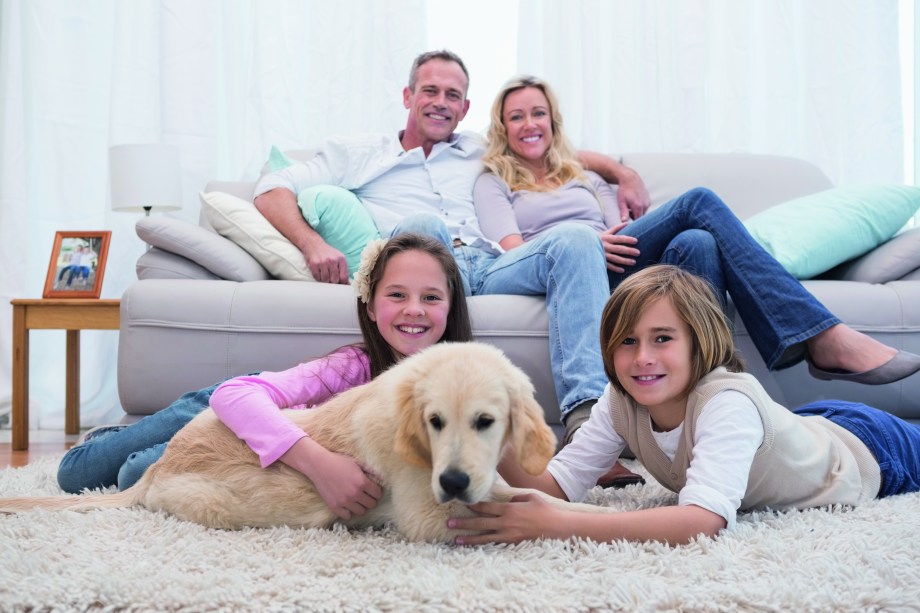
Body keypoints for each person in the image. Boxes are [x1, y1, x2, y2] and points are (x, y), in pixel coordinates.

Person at [252, 50, 649, 487]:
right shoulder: (358, 153)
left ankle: (587, 432)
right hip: (429, 267)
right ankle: (441, 433)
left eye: (453, 95)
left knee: (576, 238)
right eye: (430, 91)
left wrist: (622, 173)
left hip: (493, 264)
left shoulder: (479, 149)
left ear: (465, 108)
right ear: (408, 95)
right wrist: (313, 245)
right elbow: (273, 188)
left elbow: (552, 147)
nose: (441, 101)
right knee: (423, 226)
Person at [472, 74, 920, 447]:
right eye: (516, 116)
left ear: (553, 122)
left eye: (538, 113)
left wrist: (605, 226)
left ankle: (710, 404)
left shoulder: (586, 178)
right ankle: (822, 336)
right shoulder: (493, 181)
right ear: (502, 128)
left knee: (697, 241)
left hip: (618, 263)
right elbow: (513, 248)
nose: (529, 123)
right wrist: (585, 242)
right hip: (564, 267)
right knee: (698, 207)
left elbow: (617, 229)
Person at [447, 265, 920, 546]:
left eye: (663, 339)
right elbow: (556, 484)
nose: (643, 357)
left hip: (869, 450)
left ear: (699, 343)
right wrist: (491, 425)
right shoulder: (619, 400)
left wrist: (560, 525)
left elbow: (703, 521)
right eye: (627, 341)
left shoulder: (725, 401)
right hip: (806, 426)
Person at [57, 233, 472, 519]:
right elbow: (236, 398)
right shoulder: (350, 368)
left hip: (251, 447)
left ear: (451, 308)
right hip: (228, 409)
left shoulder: (460, 386)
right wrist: (320, 464)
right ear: (369, 306)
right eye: (397, 294)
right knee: (80, 475)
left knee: (137, 479)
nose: (414, 309)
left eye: (431, 297)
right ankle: (109, 437)